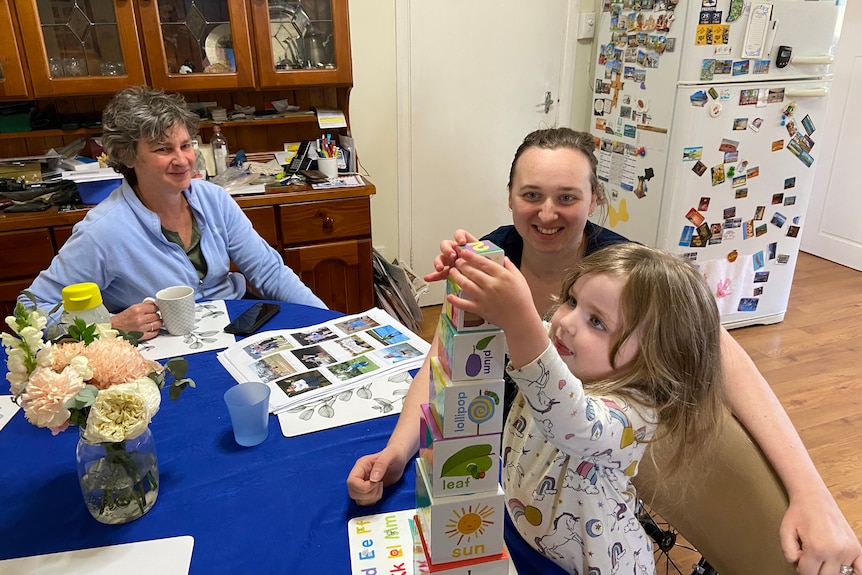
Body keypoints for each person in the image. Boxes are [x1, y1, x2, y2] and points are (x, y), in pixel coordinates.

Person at [346, 127, 862, 575]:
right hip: (508, 481)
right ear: (509, 197)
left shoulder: (627, 275)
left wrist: (810, 491)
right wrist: (396, 452)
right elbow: (446, 364)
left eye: (567, 197)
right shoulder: (499, 257)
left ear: (594, 200)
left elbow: (722, 358)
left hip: (579, 499)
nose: (547, 213)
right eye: (531, 194)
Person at [445, 242, 725, 574]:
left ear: (655, 360)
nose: (566, 322)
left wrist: (520, 318)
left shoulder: (634, 413)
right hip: (530, 539)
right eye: (572, 301)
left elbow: (570, 418)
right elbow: (507, 340)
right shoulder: (563, 351)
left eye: (597, 322)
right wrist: (475, 271)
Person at [22, 86, 325, 341]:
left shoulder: (214, 199)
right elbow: (30, 311)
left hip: (238, 326)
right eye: (163, 150)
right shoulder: (103, 231)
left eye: (186, 145)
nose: (182, 160)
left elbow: (270, 272)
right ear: (128, 155)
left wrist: (328, 322)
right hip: (167, 347)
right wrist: (108, 325)